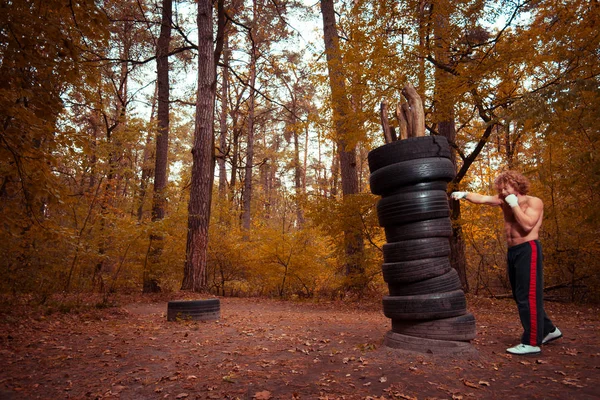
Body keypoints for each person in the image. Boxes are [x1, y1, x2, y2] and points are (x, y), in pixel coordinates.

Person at [451, 170, 562, 355]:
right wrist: (464, 195)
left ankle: (532, 343)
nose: (502, 191)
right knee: (520, 296)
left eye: (506, 187)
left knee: (528, 296)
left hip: (529, 249)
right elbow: (483, 198)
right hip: (513, 252)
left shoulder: (533, 202)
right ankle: (549, 330)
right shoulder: (503, 200)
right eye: (500, 188)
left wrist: (515, 205)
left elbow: (527, 226)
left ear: (517, 185)